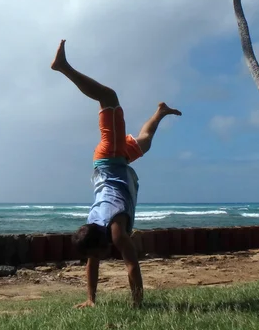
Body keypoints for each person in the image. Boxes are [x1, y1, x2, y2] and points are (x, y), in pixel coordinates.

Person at [51, 40, 182, 308]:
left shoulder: (115, 232)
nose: (95, 259)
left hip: (109, 159)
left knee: (108, 98)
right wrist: (90, 299)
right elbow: (99, 261)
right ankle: (161, 111)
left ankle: (63, 67)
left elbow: (132, 264)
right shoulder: (93, 229)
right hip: (117, 163)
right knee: (144, 142)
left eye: (95, 255)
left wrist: (137, 305)